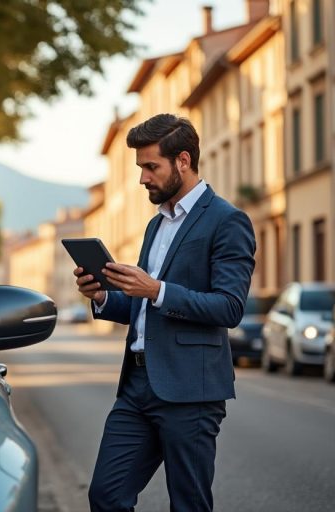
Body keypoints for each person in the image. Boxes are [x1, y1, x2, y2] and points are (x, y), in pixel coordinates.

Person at [75, 114, 255, 511]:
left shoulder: (227, 221)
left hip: (191, 391)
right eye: (140, 168)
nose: (143, 178)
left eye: (150, 167)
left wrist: (156, 289)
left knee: (188, 504)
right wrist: (104, 297)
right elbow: (144, 306)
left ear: (184, 161)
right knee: (106, 495)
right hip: (137, 386)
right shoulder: (156, 226)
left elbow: (229, 306)